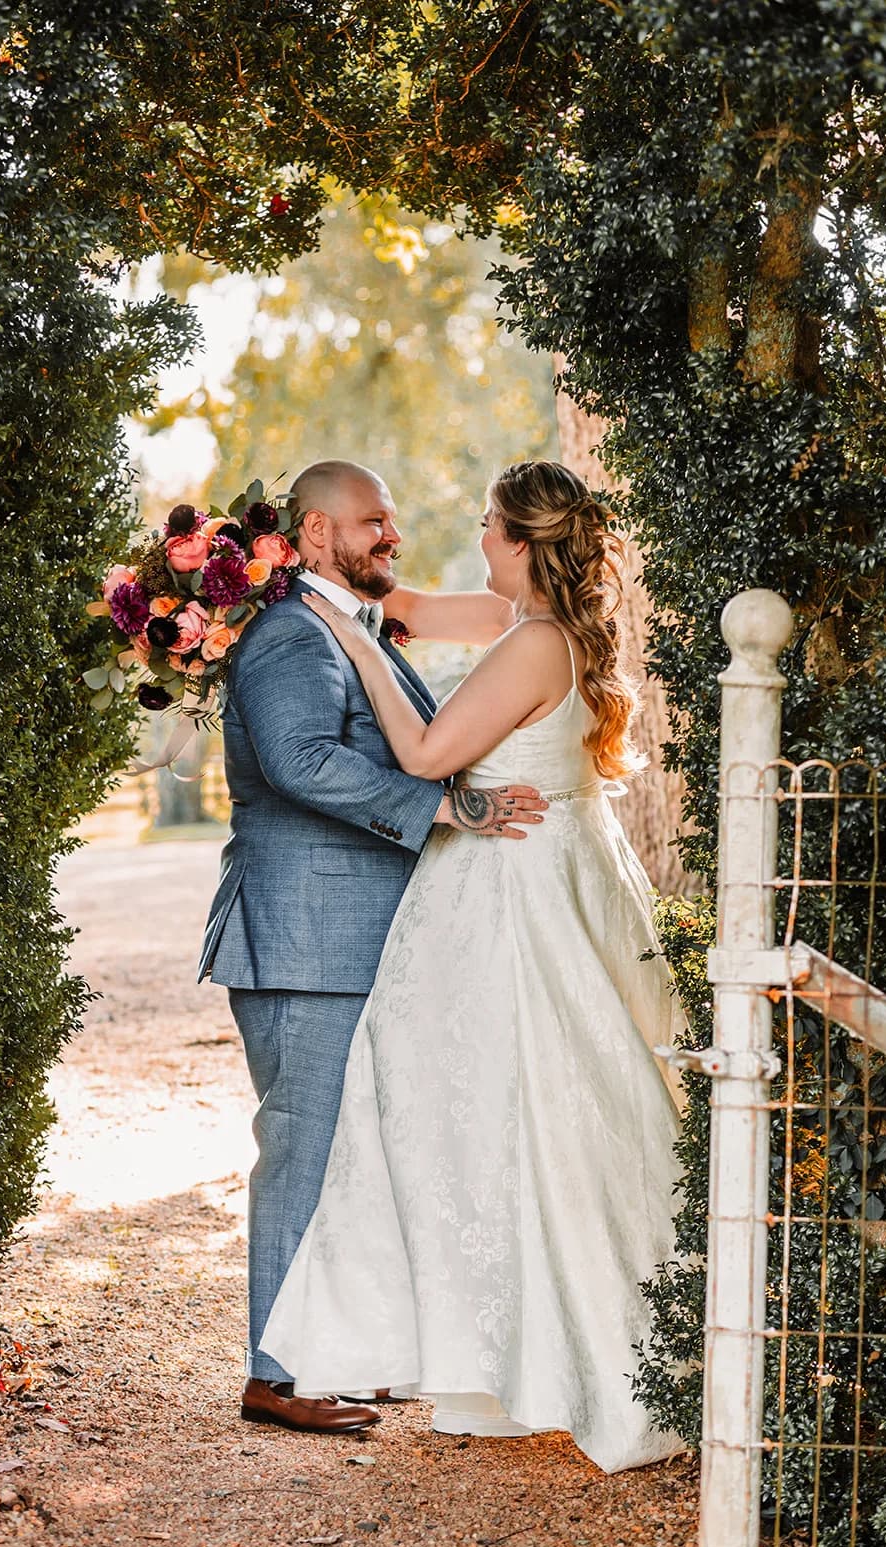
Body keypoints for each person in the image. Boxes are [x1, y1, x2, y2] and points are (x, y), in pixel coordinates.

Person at [259, 459, 687, 1472]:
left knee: (519, 1109)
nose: (474, 541)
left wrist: (356, 647)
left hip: (510, 898)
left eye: (486, 528)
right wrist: (290, 567)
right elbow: (403, 601)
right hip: (560, 873)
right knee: (502, 1116)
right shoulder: (530, 625)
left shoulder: (531, 642)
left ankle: (564, 1348)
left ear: (517, 544)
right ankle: (505, 1346)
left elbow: (419, 753)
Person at [197, 459, 547, 1435]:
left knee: (360, 1152)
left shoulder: (350, 630)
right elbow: (301, 763)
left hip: (354, 943)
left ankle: (338, 1350)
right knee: (304, 1151)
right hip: (304, 943)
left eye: (390, 522)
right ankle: (276, 1373)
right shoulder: (288, 637)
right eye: (371, 523)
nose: (390, 537)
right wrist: (446, 804)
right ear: (313, 535)